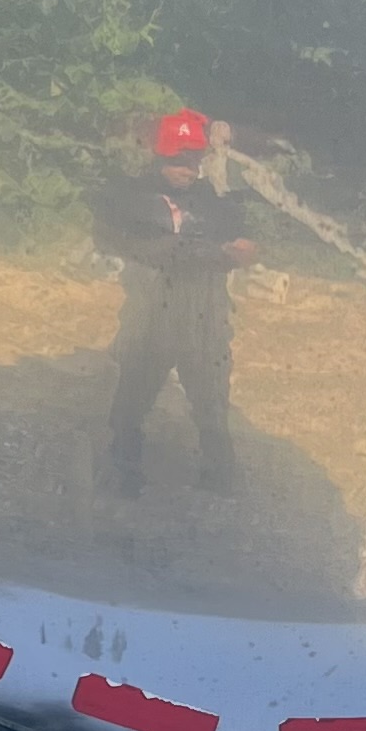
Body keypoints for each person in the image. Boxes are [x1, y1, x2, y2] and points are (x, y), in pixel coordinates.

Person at [98, 110, 255, 494]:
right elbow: (149, 249)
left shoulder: (211, 201)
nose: (188, 169)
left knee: (212, 401)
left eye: (194, 160)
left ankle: (221, 480)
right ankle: (123, 473)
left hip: (205, 316)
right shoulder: (132, 199)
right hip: (151, 313)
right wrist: (216, 254)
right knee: (132, 397)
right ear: (158, 157)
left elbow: (243, 239)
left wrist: (245, 248)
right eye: (178, 160)